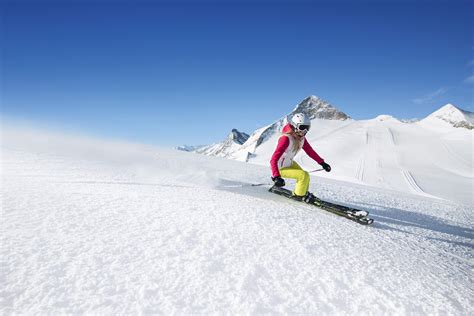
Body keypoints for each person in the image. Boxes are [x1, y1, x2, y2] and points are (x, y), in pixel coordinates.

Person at [270, 113, 331, 203]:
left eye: (307, 128)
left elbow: (310, 151)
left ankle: (302, 192)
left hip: (289, 163)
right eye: (302, 127)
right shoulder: (286, 139)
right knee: (303, 176)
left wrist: (322, 163)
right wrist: (276, 177)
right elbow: (273, 159)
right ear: (295, 126)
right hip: (279, 168)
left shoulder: (301, 139)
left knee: (305, 175)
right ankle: (299, 196)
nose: (305, 131)